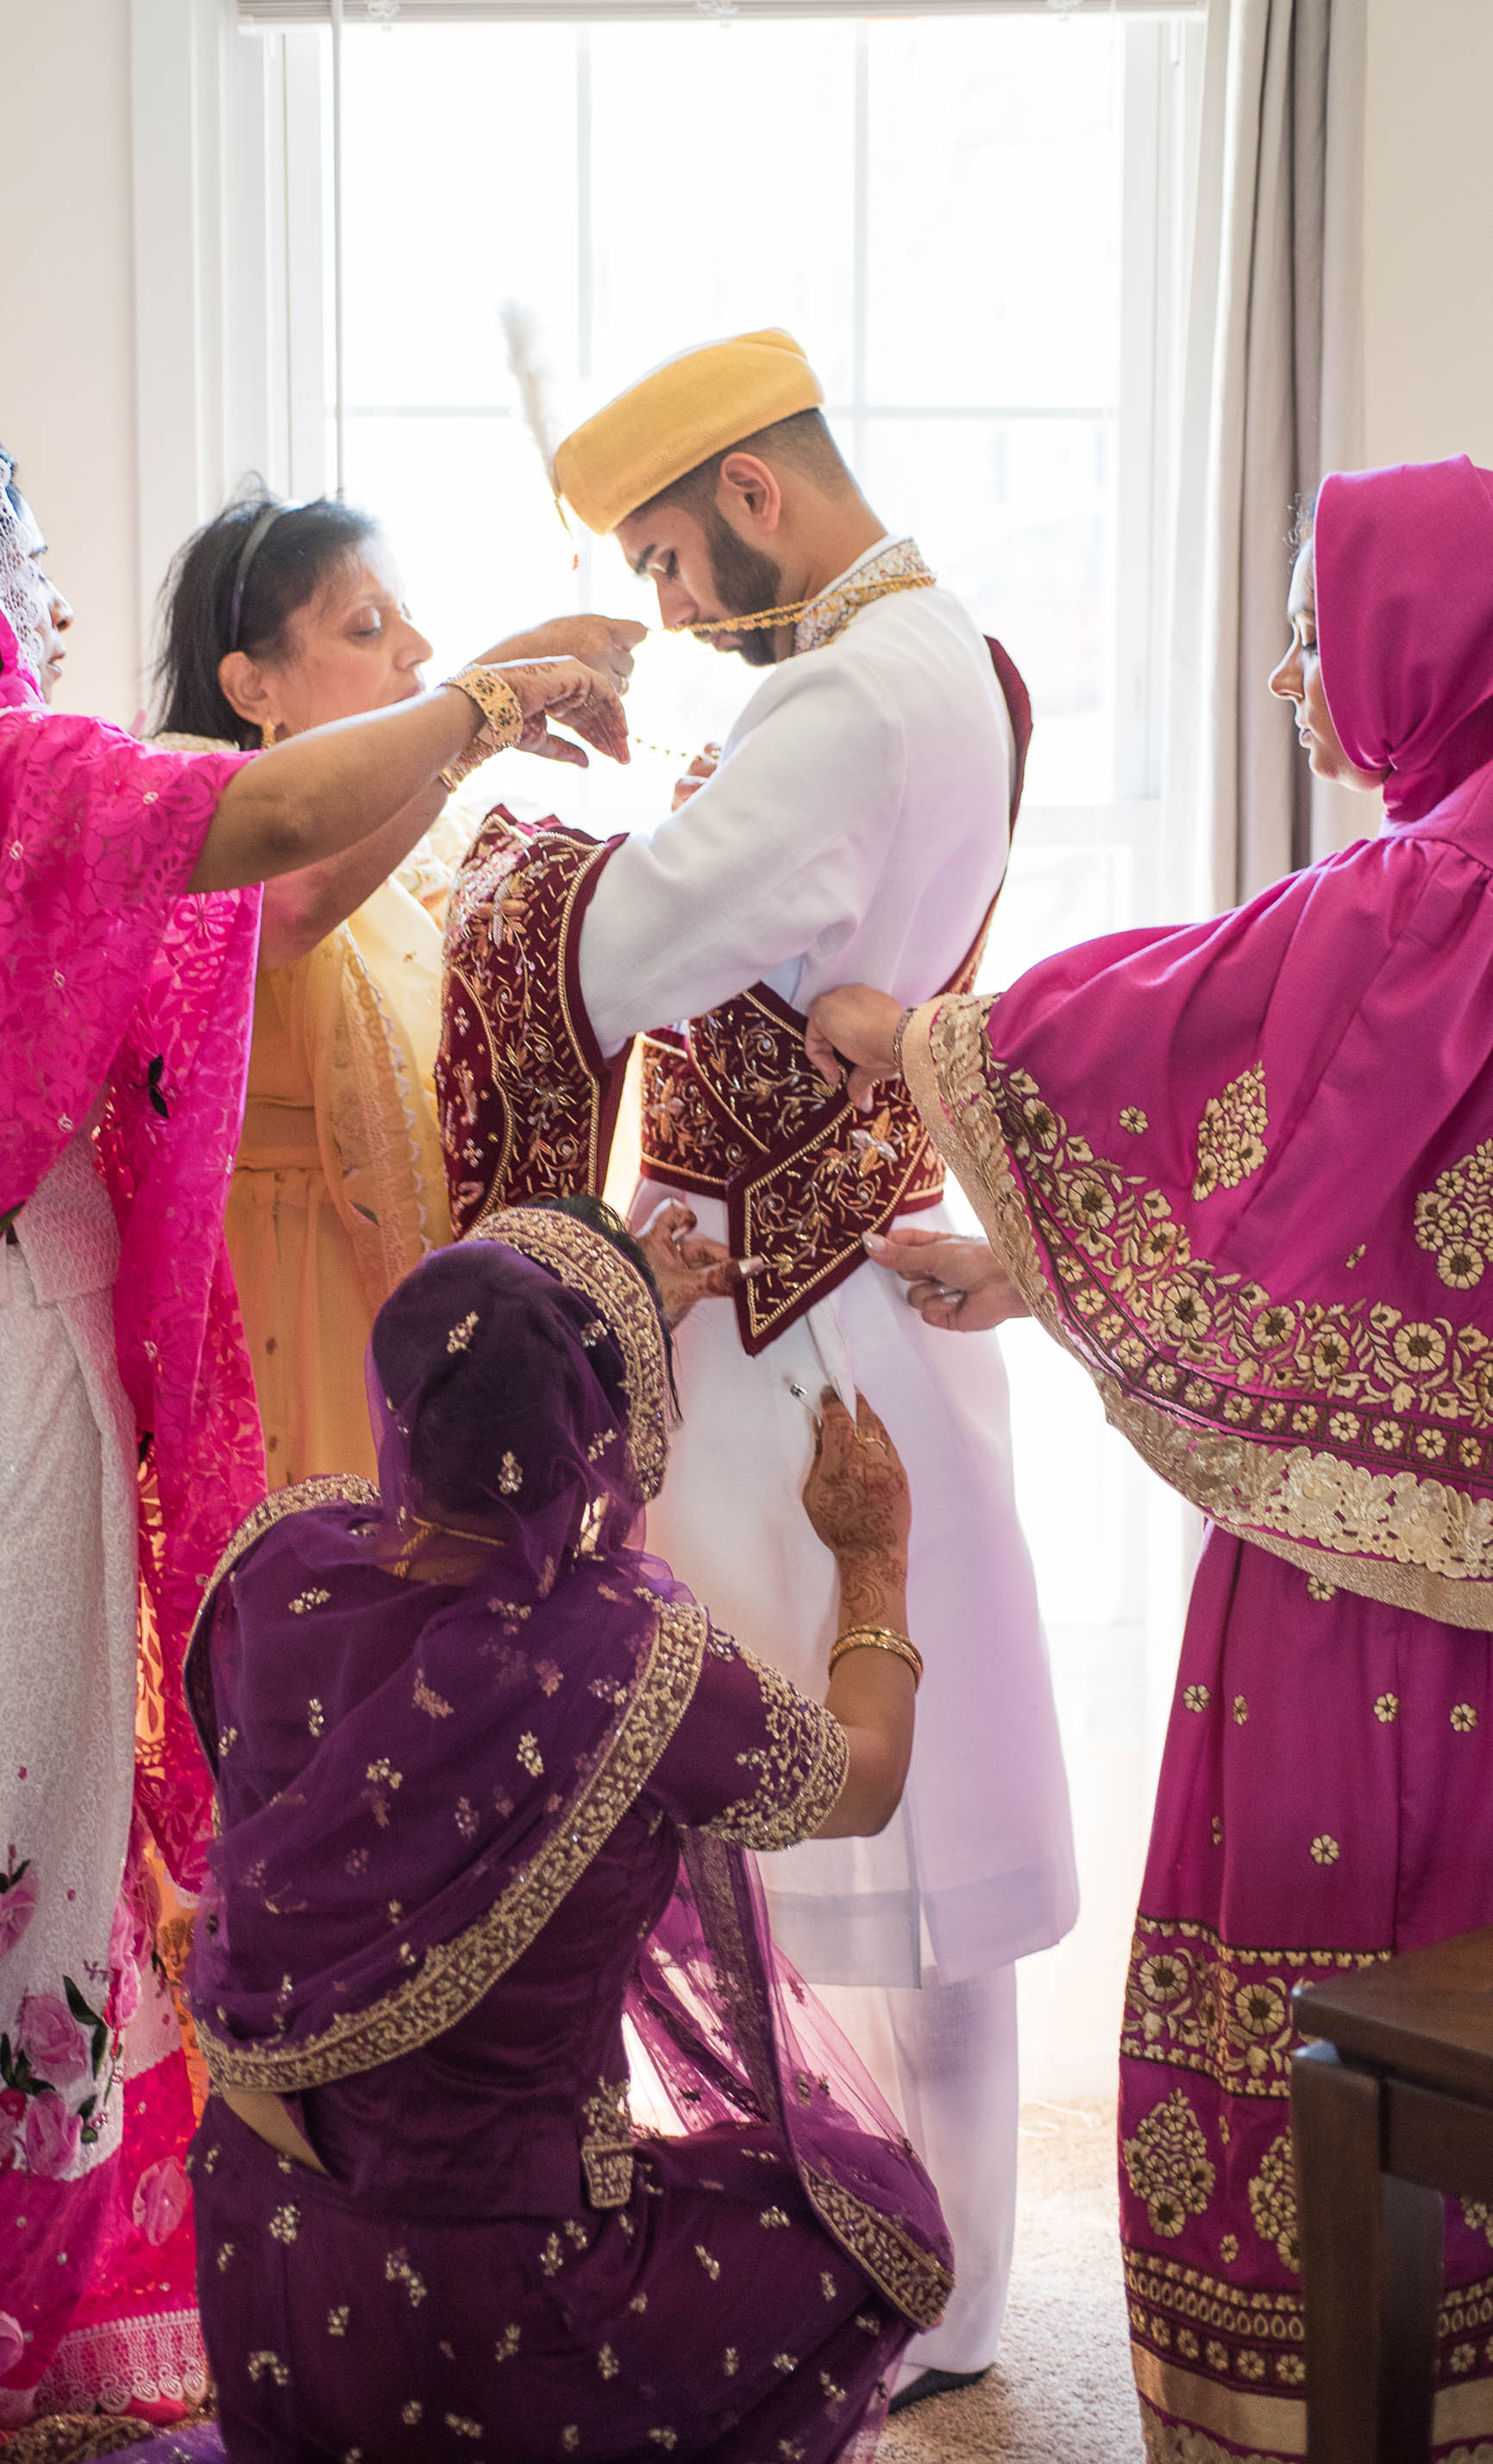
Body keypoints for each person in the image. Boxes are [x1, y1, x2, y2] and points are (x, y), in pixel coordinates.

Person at [0, 422, 626, 2458]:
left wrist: (439, 739)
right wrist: (492, 684)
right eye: (12, 568)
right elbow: (252, 834)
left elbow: (269, 902)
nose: (49, 614)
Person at [806, 454, 1493, 2459]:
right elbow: (1341, 1181)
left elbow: (1197, 1032)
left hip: (1369, 1573)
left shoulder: (1431, 883)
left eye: (1312, 633)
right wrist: (1023, 1267)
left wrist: (909, 1033)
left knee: (1340, 1949)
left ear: (1416, 636)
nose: (1295, 682)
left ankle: (1325, 2397)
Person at [436, 329, 1076, 2403]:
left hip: (782, 1333)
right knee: (911, 1799)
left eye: (670, 559)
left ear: (757, 496)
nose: (667, 612)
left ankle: (886, 2278)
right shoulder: (951, 655)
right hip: (856, 1284)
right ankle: (945, 2275)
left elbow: (625, 947)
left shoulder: (835, 700)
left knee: (785, 1799)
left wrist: (492, 851)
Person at [172, 1194, 949, 2463]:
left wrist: (608, 1298)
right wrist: (873, 1562)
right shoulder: (631, 1660)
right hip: (495, 2298)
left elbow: (488, 1343)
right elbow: (863, 1779)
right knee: (880, 2227)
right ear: (611, 1419)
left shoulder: (280, 1565)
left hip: (267, 2253)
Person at [154, 487, 645, 1485]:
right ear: (252, 690)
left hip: (400, 1268)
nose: (414, 648)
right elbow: (298, 903)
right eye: (369, 627)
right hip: (273, 1287)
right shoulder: (184, 803)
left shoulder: (432, 837)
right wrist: (484, 701)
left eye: (406, 615)